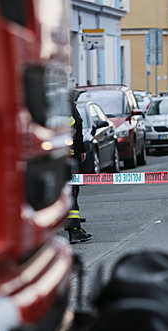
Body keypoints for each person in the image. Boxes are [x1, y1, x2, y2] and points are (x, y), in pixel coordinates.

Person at [66, 95, 93, 244]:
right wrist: (80, 150)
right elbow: (77, 128)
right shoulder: (68, 109)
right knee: (70, 192)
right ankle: (74, 230)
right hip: (68, 158)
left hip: (56, 158)